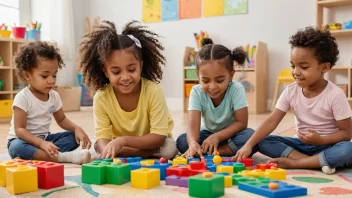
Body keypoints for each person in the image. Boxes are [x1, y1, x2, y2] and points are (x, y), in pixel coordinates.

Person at [233, 27, 352, 175]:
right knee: (263, 140)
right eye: (293, 66)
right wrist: (248, 145)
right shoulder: (291, 91)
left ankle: (299, 163)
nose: (296, 72)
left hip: (327, 145)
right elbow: (271, 122)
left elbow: (347, 133)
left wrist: (321, 140)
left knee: (348, 149)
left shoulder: (335, 94)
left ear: (324, 67)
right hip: (300, 146)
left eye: (303, 67)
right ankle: (316, 162)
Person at [78, 20, 178, 159]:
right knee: (98, 146)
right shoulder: (101, 97)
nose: (125, 77)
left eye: (131, 69)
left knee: (169, 148)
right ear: (106, 72)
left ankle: (129, 152)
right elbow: (103, 137)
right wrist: (112, 147)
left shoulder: (153, 91)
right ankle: (140, 154)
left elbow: (158, 137)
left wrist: (123, 141)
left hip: (147, 144)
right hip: (121, 146)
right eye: (116, 72)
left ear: (140, 66)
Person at [8, 41, 91, 164]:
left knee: (72, 137)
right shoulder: (23, 98)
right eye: (44, 76)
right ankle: (62, 157)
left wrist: (76, 128)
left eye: (54, 75)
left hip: (44, 139)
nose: (51, 80)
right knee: (16, 147)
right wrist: (41, 144)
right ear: (27, 75)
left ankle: (43, 154)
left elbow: (62, 120)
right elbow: (19, 129)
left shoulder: (54, 96)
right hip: (22, 141)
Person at [176, 38, 257, 158]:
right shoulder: (196, 92)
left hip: (231, 135)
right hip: (207, 136)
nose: (212, 87)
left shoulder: (236, 89)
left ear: (231, 75)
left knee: (251, 136)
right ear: (198, 76)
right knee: (182, 141)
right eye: (205, 80)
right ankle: (206, 149)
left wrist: (217, 137)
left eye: (219, 80)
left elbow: (241, 123)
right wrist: (193, 142)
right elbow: (193, 127)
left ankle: (214, 151)